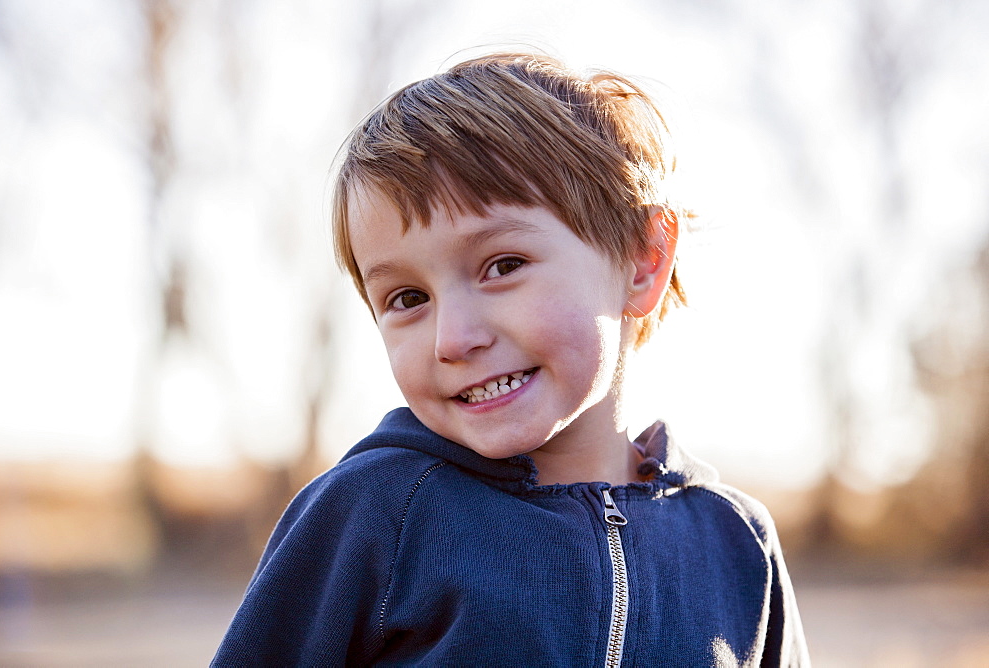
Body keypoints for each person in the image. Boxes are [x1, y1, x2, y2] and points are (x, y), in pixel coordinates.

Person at [213, 52, 809, 666]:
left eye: (502, 266)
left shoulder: (735, 542)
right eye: (408, 298)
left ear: (644, 258)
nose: (454, 338)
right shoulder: (373, 513)